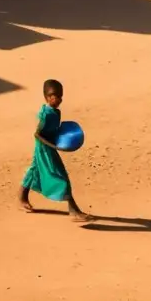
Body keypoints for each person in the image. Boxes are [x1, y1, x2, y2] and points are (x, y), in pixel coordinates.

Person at [19, 79, 92, 222]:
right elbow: (37, 134)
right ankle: (74, 210)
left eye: (60, 96)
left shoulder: (56, 112)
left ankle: (21, 198)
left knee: (34, 170)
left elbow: (54, 131)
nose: (58, 99)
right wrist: (54, 146)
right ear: (47, 97)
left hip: (49, 146)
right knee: (60, 176)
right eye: (54, 96)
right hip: (44, 148)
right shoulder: (45, 115)